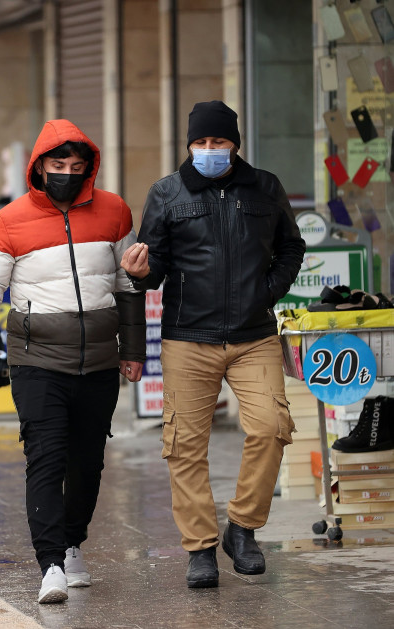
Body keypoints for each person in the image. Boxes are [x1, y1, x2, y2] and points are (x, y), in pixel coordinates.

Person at [0, 120, 145, 605]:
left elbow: (128, 285)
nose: (67, 174)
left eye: (77, 167)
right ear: (39, 167)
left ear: (89, 167)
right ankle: (51, 564)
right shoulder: (9, 221)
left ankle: (72, 543)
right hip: (36, 361)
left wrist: (132, 350)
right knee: (46, 456)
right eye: (59, 165)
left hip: (99, 360)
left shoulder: (114, 212)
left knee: (88, 462)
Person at [120, 100, 306, 589]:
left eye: (218, 142)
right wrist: (140, 273)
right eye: (200, 142)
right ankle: (200, 548)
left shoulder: (265, 187)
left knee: (272, 427)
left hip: (254, 336)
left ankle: (241, 528)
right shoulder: (166, 192)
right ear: (189, 145)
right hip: (188, 337)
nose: (208, 149)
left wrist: (267, 291)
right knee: (184, 445)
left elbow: (291, 246)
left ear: (234, 144)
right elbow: (154, 267)